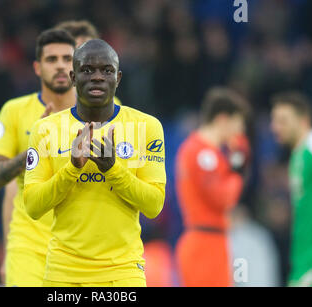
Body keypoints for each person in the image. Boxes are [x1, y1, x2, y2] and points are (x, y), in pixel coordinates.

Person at [23, 39, 166, 287]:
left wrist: (113, 170)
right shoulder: (45, 129)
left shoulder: (146, 127)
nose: (97, 77)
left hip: (122, 273)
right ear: (72, 77)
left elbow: (154, 206)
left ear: (118, 78)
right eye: (87, 70)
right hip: (62, 273)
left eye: (106, 70)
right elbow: (33, 206)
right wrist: (72, 169)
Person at [0, 28, 77, 287]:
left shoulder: (101, 112)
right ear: (37, 68)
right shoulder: (14, 111)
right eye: (51, 59)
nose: (60, 66)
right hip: (29, 250)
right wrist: (33, 150)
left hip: (81, 251)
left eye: (67, 59)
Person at [175, 87, 251, 287]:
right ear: (223, 120)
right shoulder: (202, 154)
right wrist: (237, 170)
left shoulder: (209, 153)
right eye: (238, 123)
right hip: (204, 244)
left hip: (211, 241)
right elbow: (223, 198)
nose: (240, 131)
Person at [270, 92, 312, 287]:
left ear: (303, 120)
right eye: (274, 120)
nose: (275, 127)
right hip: (301, 257)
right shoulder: (297, 155)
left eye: (283, 120)